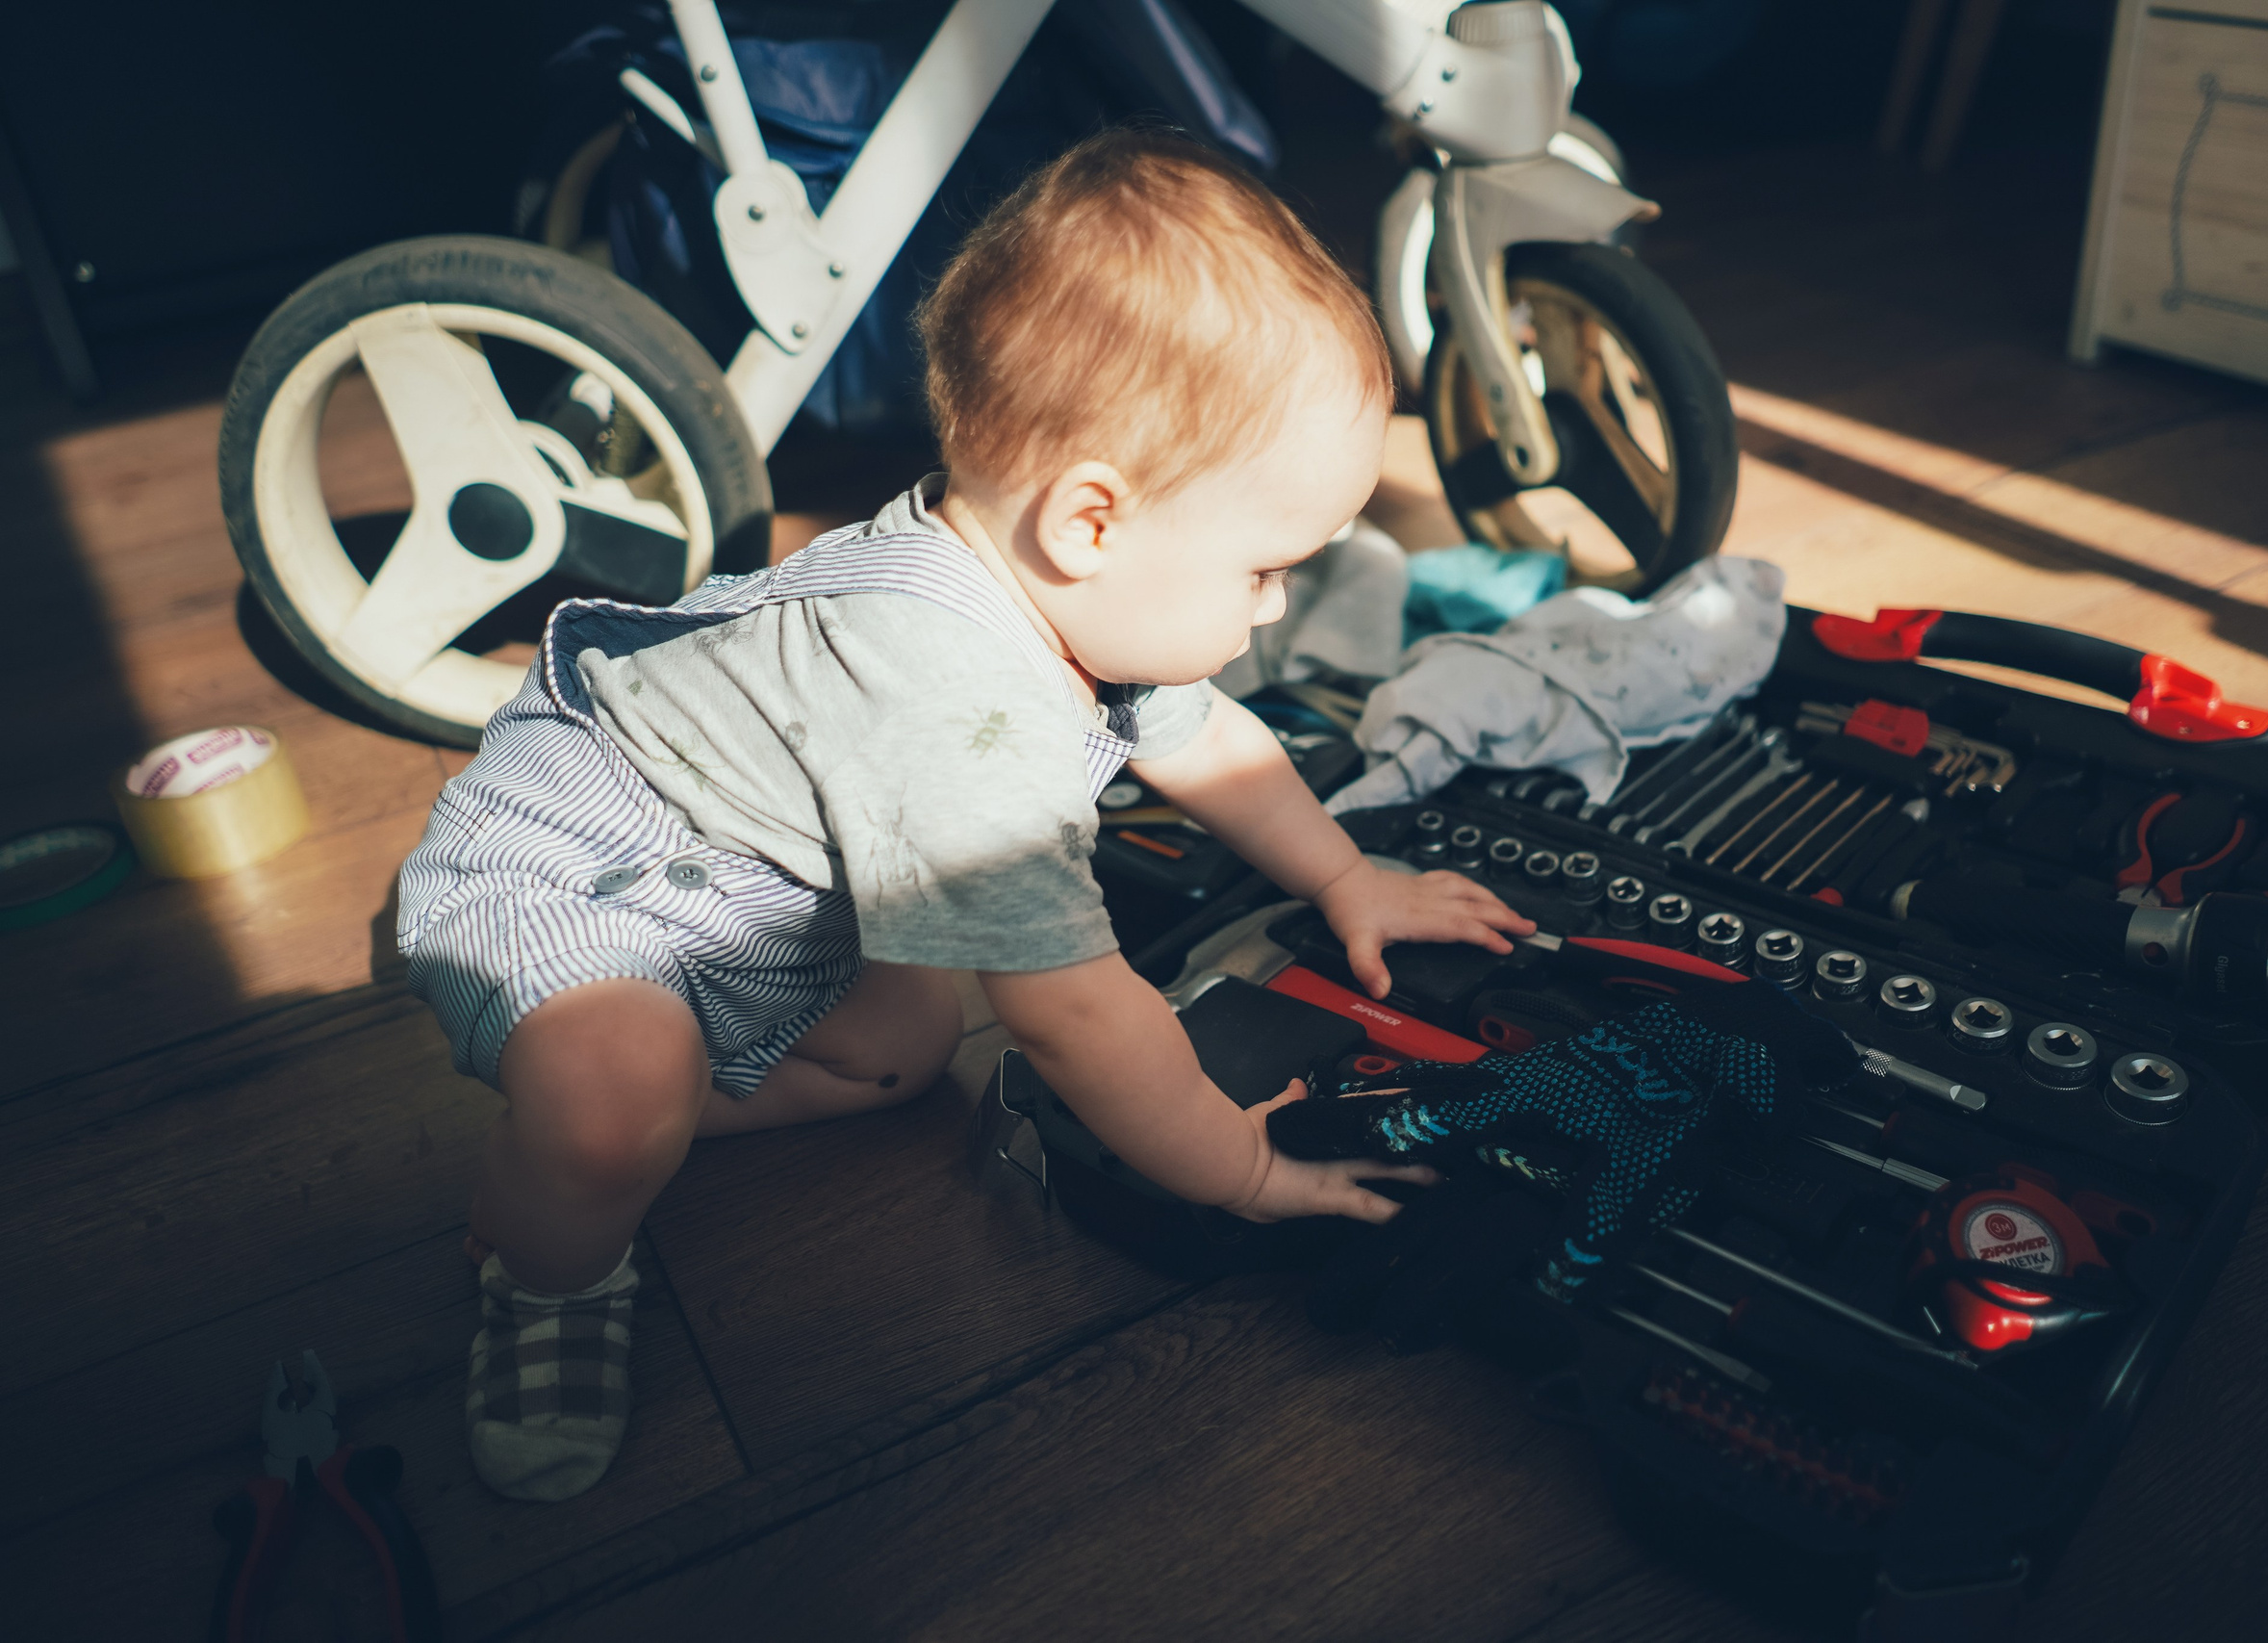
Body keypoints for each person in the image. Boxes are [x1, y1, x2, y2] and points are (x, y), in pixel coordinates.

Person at [395, 127, 1534, 1503]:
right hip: (579, 875)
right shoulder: (958, 713)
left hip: (756, 890)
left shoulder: (1061, 597)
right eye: (1265, 566)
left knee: (907, 1051)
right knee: (610, 1106)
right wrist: (1238, 1168)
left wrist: (1349, 875)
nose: (1274, 608)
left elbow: (1209, 740)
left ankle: (643, 1099)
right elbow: (1078, 1012)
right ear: (1092, 522)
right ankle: (542, 1259)